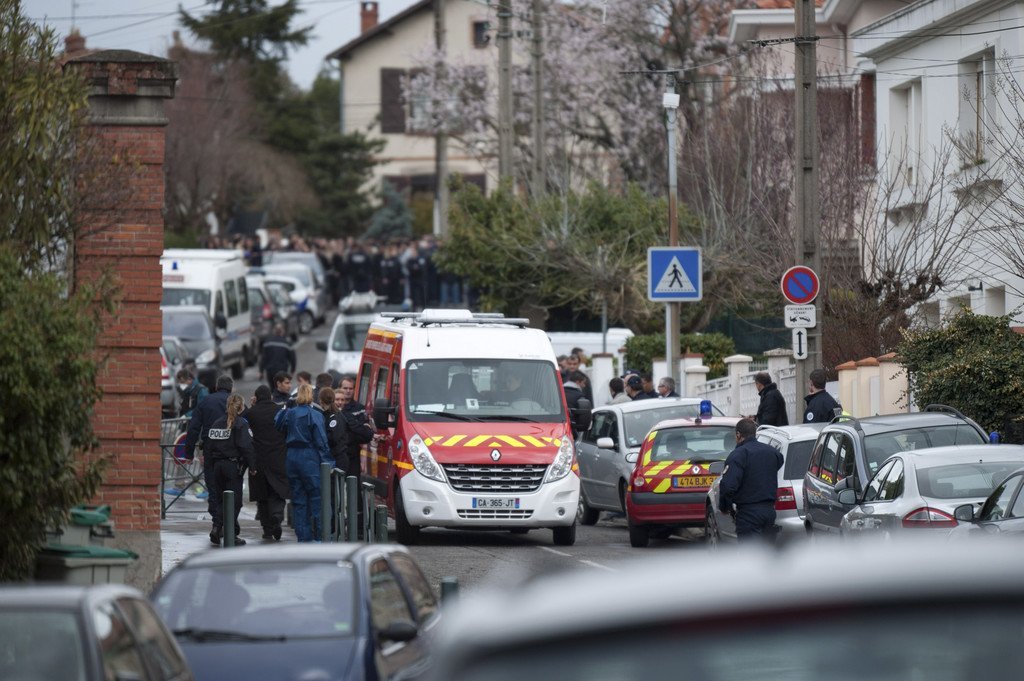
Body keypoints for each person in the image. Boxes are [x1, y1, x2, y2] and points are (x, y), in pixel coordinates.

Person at [275, 383, 332, 542]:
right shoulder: (315, 415)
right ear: (311, 396)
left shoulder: (290, 413)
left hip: (292, 456)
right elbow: (321, 441)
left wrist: (285, 408)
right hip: (309, 457)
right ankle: (320, 537)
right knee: (317, 498)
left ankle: (303, 538)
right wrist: (328, 462)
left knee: (299, 500)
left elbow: (278, 424)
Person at [718, 418, 784, 542]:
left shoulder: (738, 455)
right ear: (754, 433)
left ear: (738, 435)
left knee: (750, 552)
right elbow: (779, 462)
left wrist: (725, 507)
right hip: (769, 512)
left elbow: (728, 486)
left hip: (748, 514)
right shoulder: (772, 452)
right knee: (767, 550)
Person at [203, 393, 256, 546]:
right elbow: (246, 447)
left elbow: (208, 447)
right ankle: (230, 534)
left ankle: (217, 527)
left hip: (217, 467)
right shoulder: (240, 424)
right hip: (232, 467)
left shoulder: (217, 423)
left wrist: (209, 466)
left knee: (221, 499)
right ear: (241, 407)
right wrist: (252, 466)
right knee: (235, 502)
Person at [184, 376, 233, 529]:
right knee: (231, 489)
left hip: (210, 450)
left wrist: (188, 453)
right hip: (232, 453)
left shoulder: (206, 401)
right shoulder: (235, 402)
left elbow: (193, 428)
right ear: (231, 388)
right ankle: (230, 525)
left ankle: (217, 524)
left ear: (217, 387)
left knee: (213, 488)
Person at [243, 385, 290, 541]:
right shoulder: (279, 411)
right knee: (278, 491)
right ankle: (277, 515)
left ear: (256, 397)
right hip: (278, 458)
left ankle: (267, 529)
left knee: (262, 495)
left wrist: (252, 406)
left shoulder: (251, 413)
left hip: (258, 459)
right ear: (270, 397)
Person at [336, 376, 375, 535]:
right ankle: (337, 526)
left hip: (353, 455)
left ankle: (357, 527)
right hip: (337, 456)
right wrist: (355, 429)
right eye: (344, 388)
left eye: (350, 388)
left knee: (355, 491)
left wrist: (352, 432)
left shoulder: (358, 408)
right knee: (336, 491)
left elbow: (365, 434)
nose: (347, 391)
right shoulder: (334, 408)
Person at [258, 324, 296, 390]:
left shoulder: (267, 342)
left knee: (272, 388)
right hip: (282, 371)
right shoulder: (287, 343)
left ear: (274, 331)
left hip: (270, 371)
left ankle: (273, 396)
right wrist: (292, 370)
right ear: (283, 331)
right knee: (281, 389)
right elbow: (292, 358)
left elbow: (264, 358)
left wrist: (261, 371)